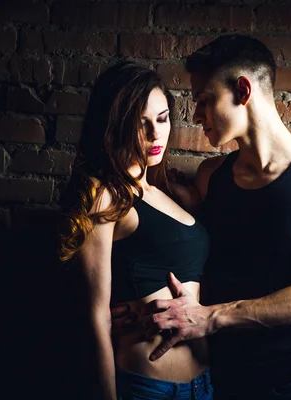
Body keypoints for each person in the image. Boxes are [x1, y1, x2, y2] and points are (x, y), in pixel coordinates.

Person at [112, 34, 291, 399]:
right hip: (215, 377)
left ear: (243, 90)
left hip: (290, 381)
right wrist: (142, 307)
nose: (196, 116)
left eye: (204, 100)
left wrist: (211, 318)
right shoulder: (210, 176)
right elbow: (182, 254)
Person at [58, 61, 212, 400]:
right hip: (148, 387)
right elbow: (96, 316)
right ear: (114, 126)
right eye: (140, 124)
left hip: (203, 385)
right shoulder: (105, 196)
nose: (155, 134)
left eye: (162, 119)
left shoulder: (176, 194)